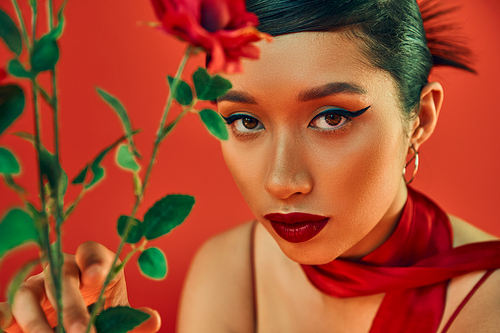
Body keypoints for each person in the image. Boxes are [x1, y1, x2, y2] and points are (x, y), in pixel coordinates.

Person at [2, 0, 500, 332]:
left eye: (331, 117)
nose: (281, 180)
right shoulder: (228, 271)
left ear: (422, 117)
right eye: (244, 120)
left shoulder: (489, 304)